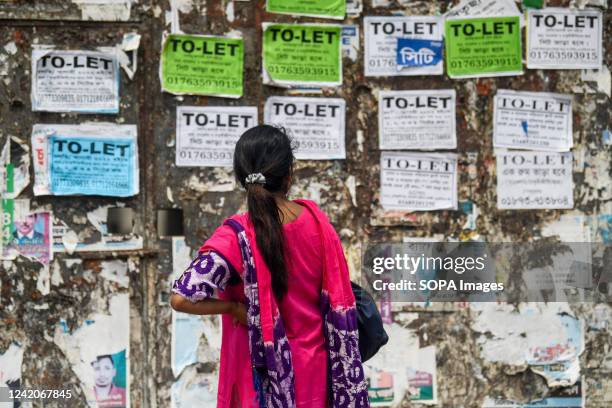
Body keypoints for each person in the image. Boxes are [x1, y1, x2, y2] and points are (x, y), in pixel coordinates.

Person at [170, 125, 369, 408]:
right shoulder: (318, 223)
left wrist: (233, 308)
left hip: (261, 381)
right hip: (317, 373)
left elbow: (181, 298)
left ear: (242, 178)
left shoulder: (236, 236)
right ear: (289, 176)